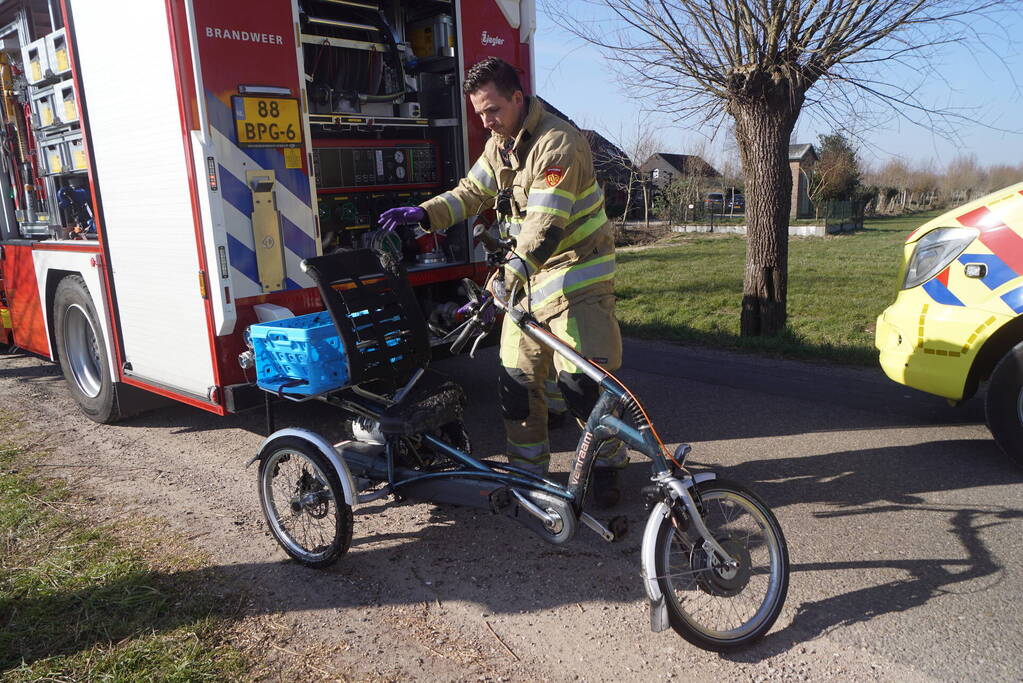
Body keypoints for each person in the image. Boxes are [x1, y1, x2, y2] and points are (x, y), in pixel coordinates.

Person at [379, 57, 625, 506]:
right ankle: (528, 478)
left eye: (492, 110)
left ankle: (607, 465)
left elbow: (544, 227)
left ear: (517, 97)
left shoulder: (557, 143)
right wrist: (425, 213)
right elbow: (471, 192)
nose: (486, 122)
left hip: (577, 275)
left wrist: (505, 279)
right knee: (516, 383)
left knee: (583, 386)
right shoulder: (501, 144)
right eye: (480, 114)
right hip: (528, 278)